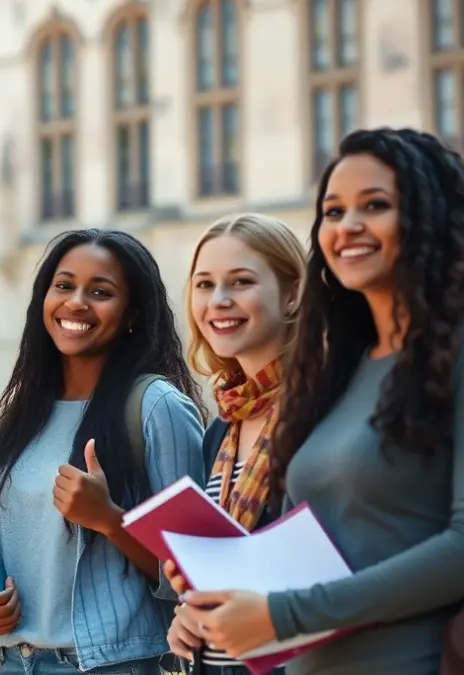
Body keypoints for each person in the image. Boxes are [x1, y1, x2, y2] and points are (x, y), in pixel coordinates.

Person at [176, 128, 464, 675]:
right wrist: (213, 585)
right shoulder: (336, 375)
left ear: (428, 215)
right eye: (333, 211)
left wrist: (285, 614)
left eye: (374, 205)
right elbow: (313, 552)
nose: (348, 225)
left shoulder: (452, 355)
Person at [0, 229, 207, 675]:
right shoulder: (14, 417)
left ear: (131, 313)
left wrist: (109, 519)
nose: (76, 302)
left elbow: (196, 571)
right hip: (7, 662)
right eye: (64, 286)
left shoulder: (155, 408)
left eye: (100, 291)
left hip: (107, 665)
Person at [165, 213, 305, 675]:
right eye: (204, 285)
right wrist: (189, 613)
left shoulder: (323, 411)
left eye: (241, 281)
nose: (218, 301)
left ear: (292, 294)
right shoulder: (221, 431)